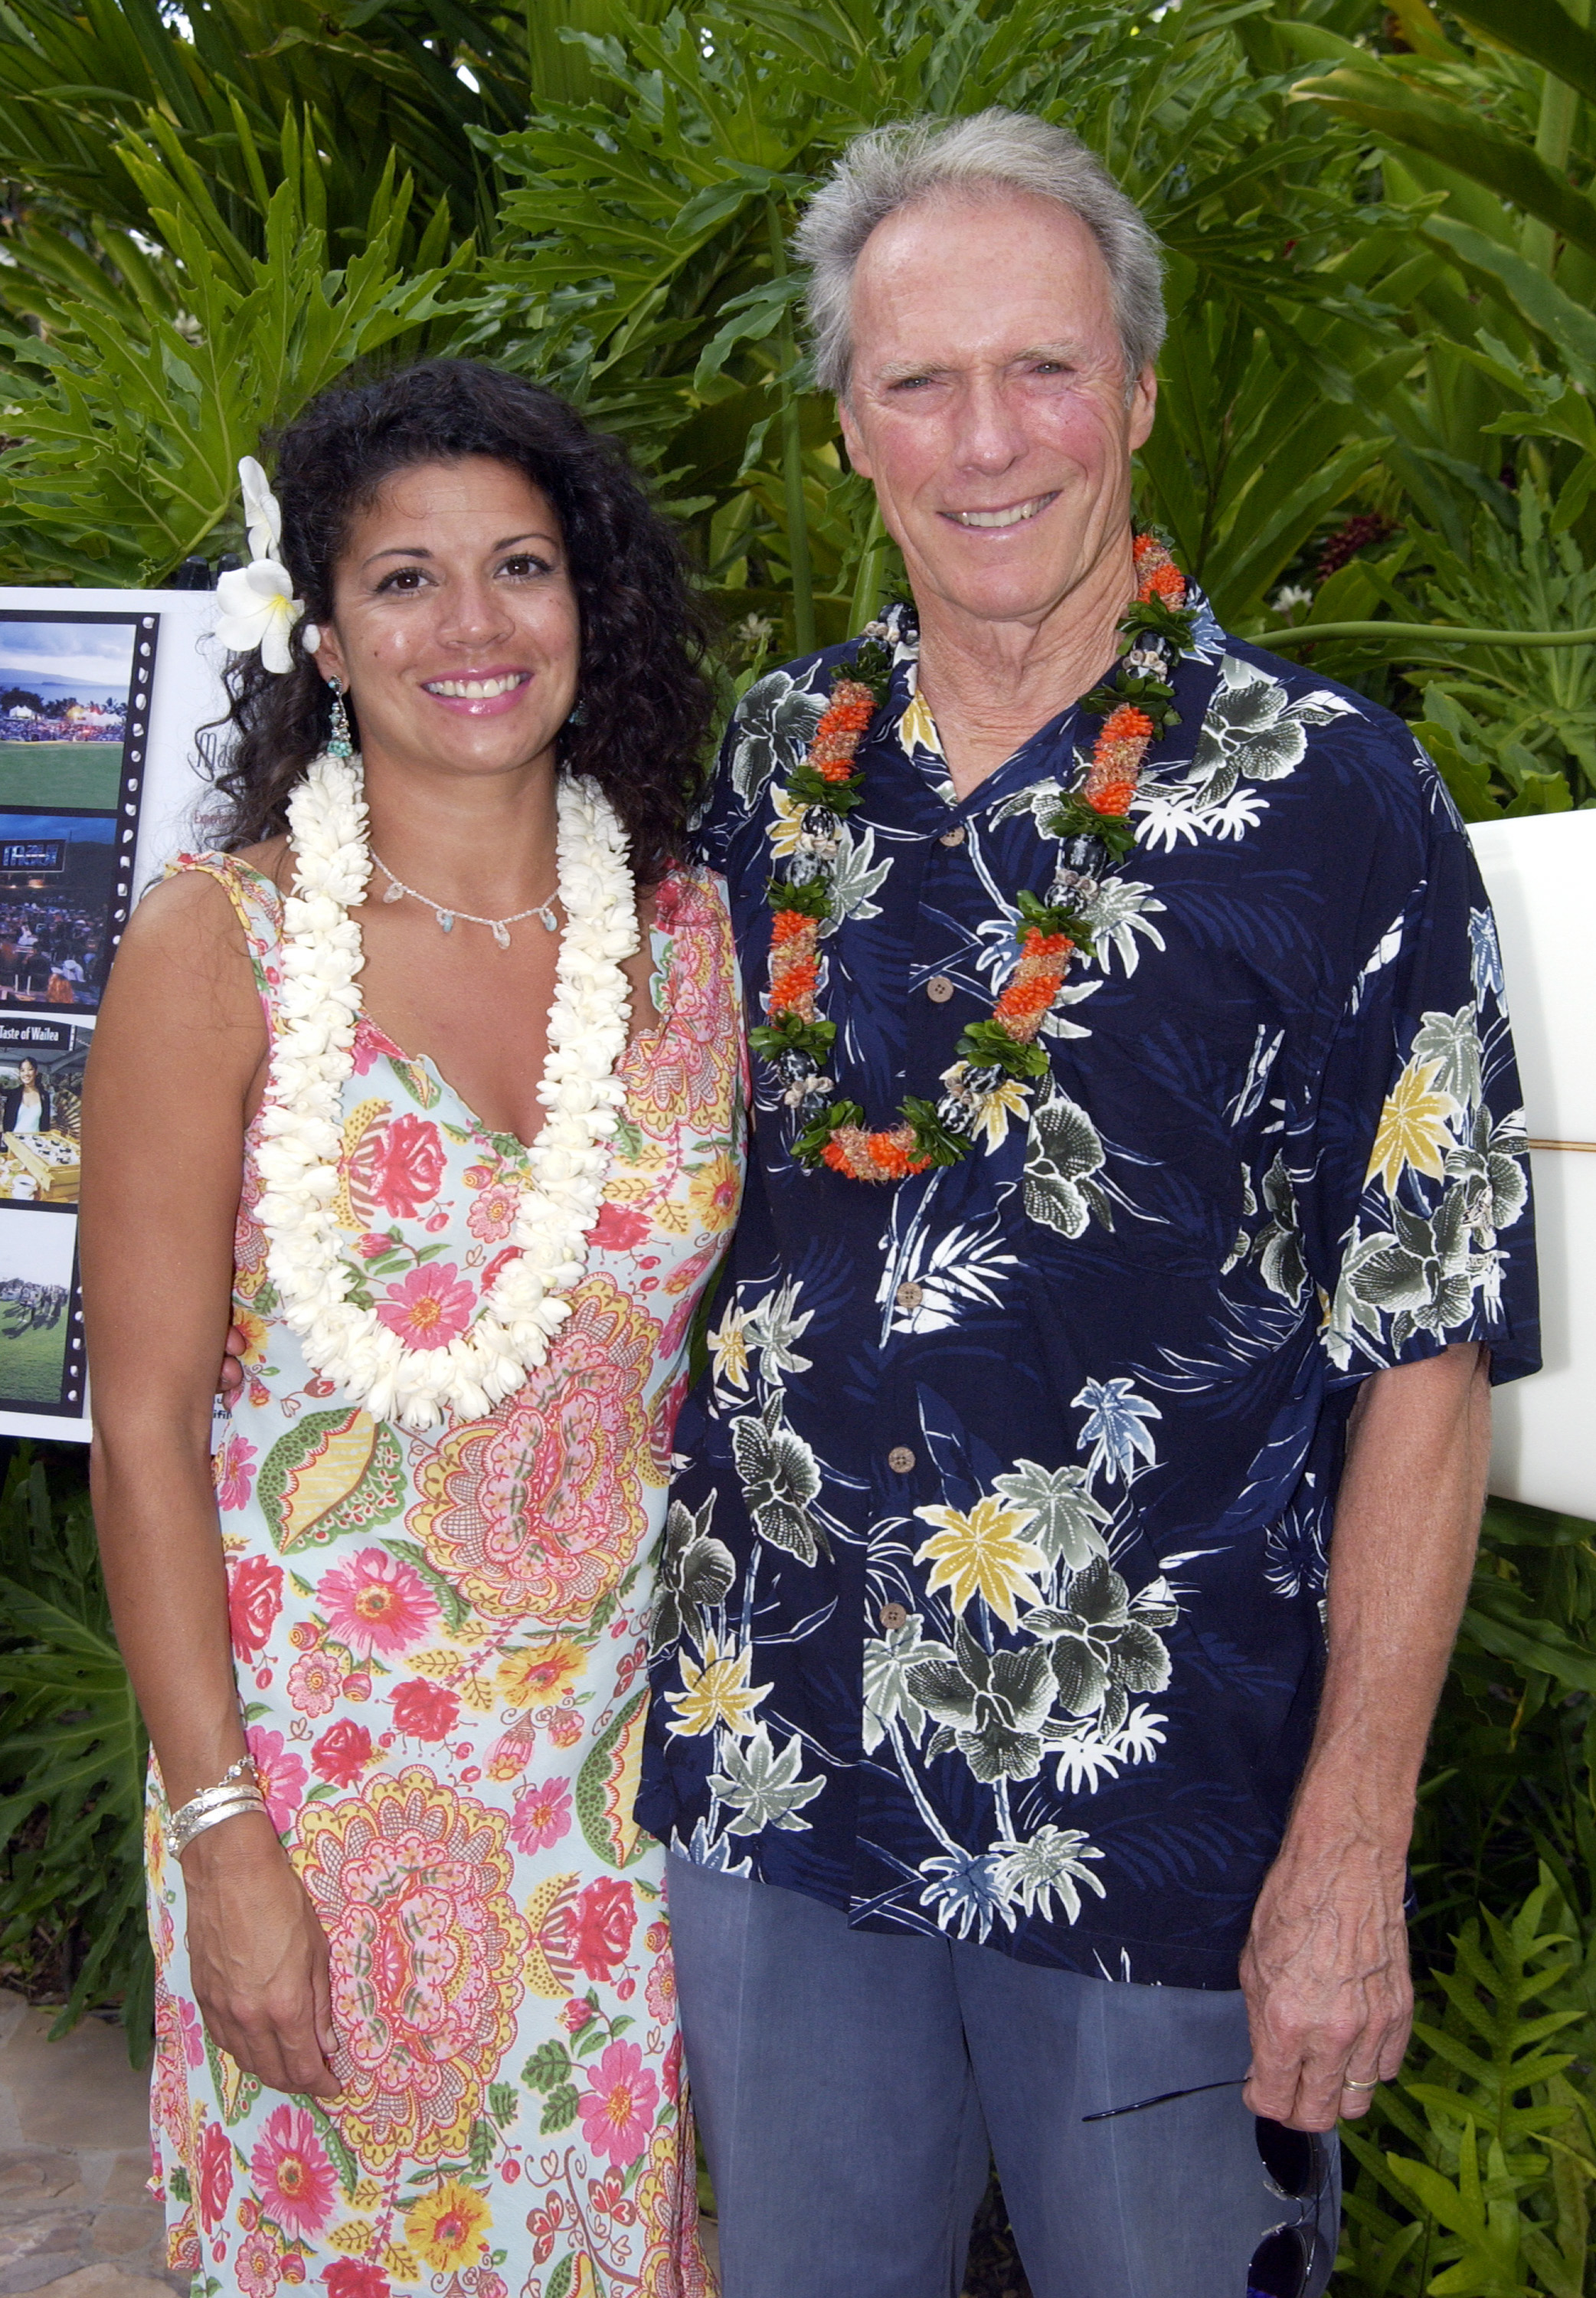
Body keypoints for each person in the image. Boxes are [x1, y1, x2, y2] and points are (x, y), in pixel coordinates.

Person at [634, 112, 1540, 2298]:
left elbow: (1423, 1348)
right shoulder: (756, 776)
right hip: (776, 1785)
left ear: (1134, 392)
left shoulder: (1330, 797)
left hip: (1158, 1825)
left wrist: (1350, 1843)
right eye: (916, 383)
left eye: (1040, 370)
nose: (984, 441)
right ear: (846, 426)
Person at [80, 359, 741, 2297]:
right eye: (404, 580)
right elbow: (139, 1428)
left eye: (520, 567)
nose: (470, 626)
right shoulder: (219, 946)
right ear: (320, 630)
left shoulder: (692, 940)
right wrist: (222, 1838)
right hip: (311, 1793)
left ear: (586, 602)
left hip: (624, 1815)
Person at [2, 1055, 51, 1134]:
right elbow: (6, 1121)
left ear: (36, 1072)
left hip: (35, 1142)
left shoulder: (44, 1096)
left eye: (30, 1069)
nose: (26, 1074)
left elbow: (46, 1123)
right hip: (13, 1141)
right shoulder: (12, 1094)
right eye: (22, 1070)